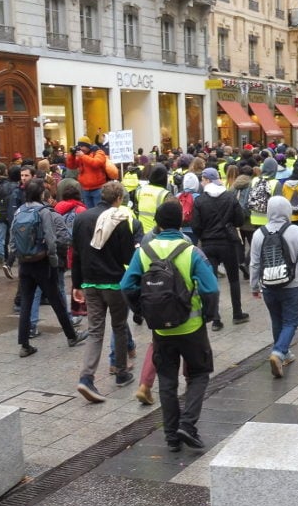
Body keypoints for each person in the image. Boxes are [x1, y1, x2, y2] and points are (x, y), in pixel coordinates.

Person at [121, 201, 219, 452]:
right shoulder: (191, 251)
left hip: (161, 331)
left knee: (166, 381)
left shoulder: (144, 251)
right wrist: (208, 314)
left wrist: (141, 310)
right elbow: (211, 288)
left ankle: (171, 437)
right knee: (198, 374)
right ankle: (187, 424)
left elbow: (126, 285)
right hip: (191, 327)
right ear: (181, 222)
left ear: (158, 223)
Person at [71, 181, 137, 402]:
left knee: (95, 331)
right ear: (118, 199)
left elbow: (76, 254)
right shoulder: (119, 219)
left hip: (90, 283)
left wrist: (77, 285)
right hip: (113, 283)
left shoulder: (81, 218)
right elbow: (127, 256)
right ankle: (121, 372)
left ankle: (86, 377)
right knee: (118, 326)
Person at [12, 179, 87, 357]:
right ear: (41, 194)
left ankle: (24, 344)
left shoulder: (19, 211)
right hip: (43, 263)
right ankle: (71, 336)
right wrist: (53, 260)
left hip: (25, 264)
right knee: (57, 301)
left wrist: (17, 257)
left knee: (26, 303)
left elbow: (12, 239)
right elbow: (51, 240)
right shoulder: (44, 212)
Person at [251, 196, 298, 378]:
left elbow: (254, 263)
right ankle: (278, 352)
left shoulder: (258, 234)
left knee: (277, 320)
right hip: (291, 284)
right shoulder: (296, 231)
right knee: (291, 321)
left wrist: (255, 286)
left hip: (268, 285)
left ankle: (284, 354)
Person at [191, 167, 248, 332]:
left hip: (208, 244)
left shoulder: (200, 200)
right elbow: (239, 220)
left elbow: (195, 226)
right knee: (233, 279)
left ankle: (216, 318)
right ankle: (237, 313)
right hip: (228, 243)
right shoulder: (230, 197)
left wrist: (204, 235)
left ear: (207, 180)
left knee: (212, 280)